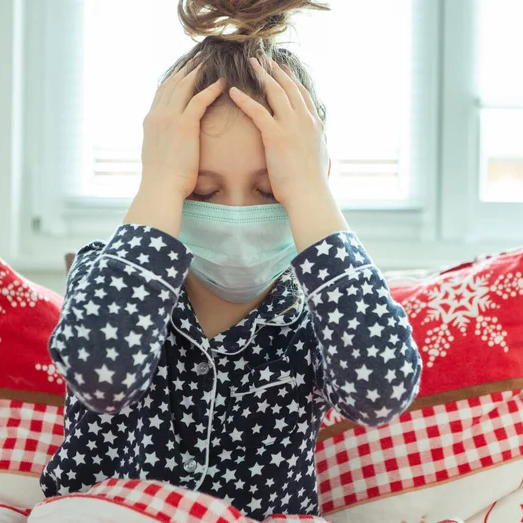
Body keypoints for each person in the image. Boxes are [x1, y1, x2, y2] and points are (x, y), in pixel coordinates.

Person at [40, 0, 423, 519]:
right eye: (202, 191)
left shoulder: (322, 312)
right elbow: (102, 379)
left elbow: (382, 393)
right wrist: (160, 181)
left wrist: (309, 191)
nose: (238, 216)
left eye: (269, 192)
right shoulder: (108, 275)